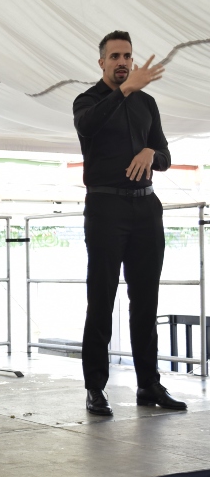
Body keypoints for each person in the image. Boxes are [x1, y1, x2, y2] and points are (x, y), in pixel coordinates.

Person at [74, 30, 186, 416]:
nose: (123, 62)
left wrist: (151, 151)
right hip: (106, 208)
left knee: (146, 302)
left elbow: (166, 154)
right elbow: (89, 127)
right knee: (101, 298)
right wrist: (123, 92)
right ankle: (95, 388)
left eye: (128, 56)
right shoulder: (87, 101)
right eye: (115, 56)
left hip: (145, 209)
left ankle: (149, 385)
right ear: (101, 62)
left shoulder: (147, 103)